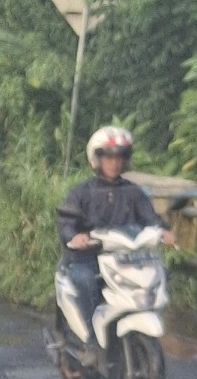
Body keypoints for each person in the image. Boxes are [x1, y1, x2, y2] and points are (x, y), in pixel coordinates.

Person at [57, 126, 175, 329]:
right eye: (108, 157)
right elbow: (67, 221)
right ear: (97, 159)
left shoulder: (133, 192)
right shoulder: (81, 192)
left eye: (120, 157)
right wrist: (75, 237)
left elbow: (150, 218)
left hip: (124, 259)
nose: (114, 162)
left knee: (160, 271)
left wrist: (163, 231)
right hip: (87, 257)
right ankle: (90, 338)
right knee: (85, 280)